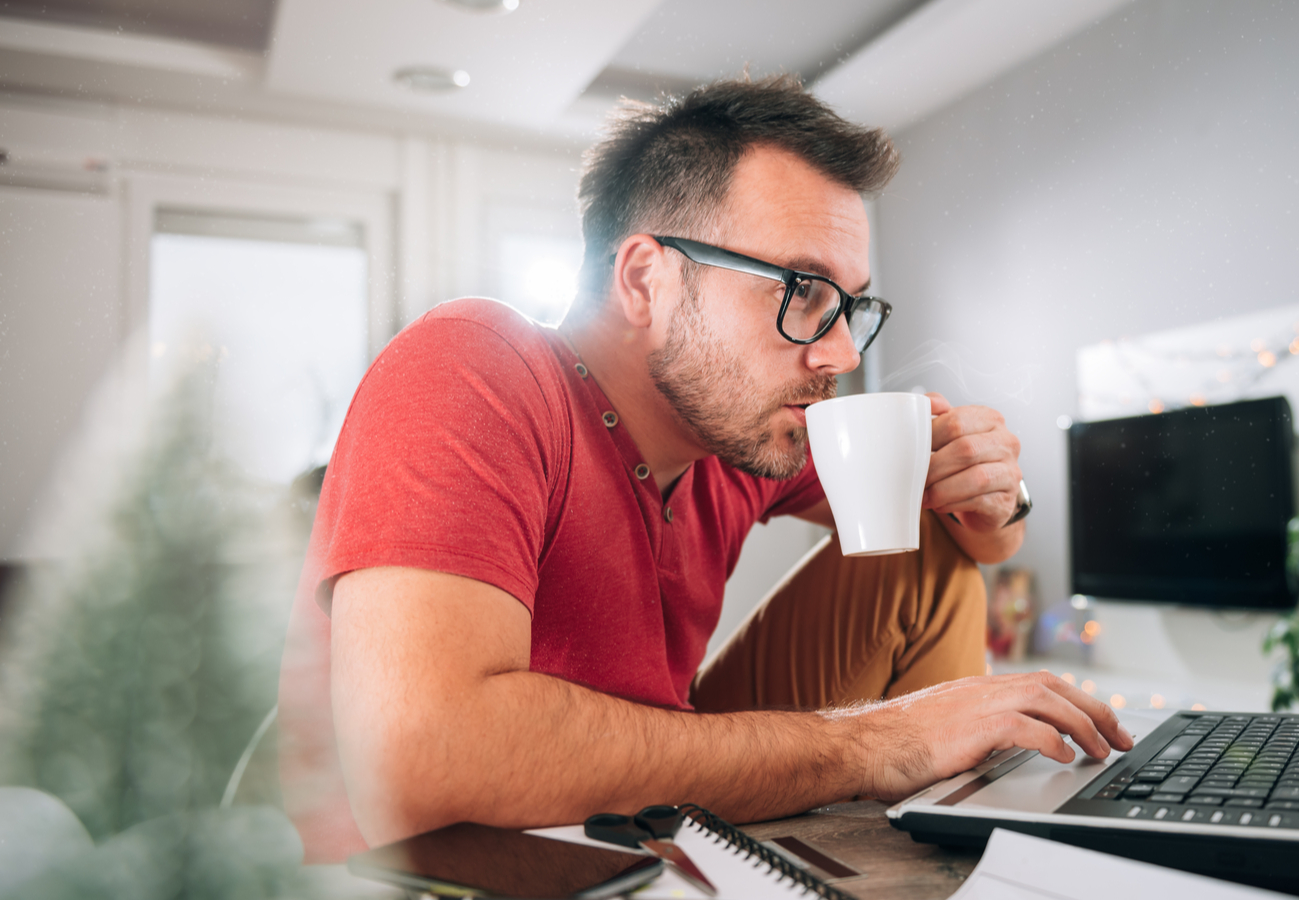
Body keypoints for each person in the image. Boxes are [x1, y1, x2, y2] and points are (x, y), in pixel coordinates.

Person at [277, 75, 1132, 864]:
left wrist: (995, 497)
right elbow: (421, 772)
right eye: (801, 289)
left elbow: (963, 548)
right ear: (646, 280)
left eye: (852, 304)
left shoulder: (741, 431)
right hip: (448, 867)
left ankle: (946, 849)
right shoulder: (474, 365)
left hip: (640, 817)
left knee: (922, 559)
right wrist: (883, 741)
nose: (839, 350)